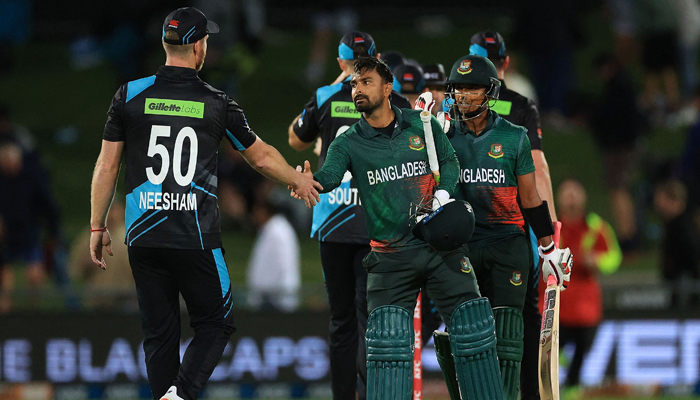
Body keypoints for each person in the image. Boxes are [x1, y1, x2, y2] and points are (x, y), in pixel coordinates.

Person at [89, 8, 321, 400]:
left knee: (159, 334)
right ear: (198, 46)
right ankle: (181, 394)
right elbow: (259, 156)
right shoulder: (215, 102)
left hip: (143, 235)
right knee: (217, 321)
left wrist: (97, 226)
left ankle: (168, 396)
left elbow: (107, 165)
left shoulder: (128, 95)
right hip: (194, 234)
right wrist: (298, 178)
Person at [293, 57, 504, 400]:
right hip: (390, 258)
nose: (357, 90)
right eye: (354, 85)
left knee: (473, 330)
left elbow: (449, 163)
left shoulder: (422, 124)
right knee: (387, 352)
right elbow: (329, 176)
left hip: (439, 248)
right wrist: (306, 181)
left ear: (388, 88)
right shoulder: (348, 142)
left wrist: (443, 196)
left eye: (365, 82)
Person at [438, 54, 572, 400]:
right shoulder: (442, 135)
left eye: (472, 89)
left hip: (508, 244)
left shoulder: (514, 137)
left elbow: (530, 197)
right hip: (463, 247)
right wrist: (422, 126)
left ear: (490, 92)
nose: (464, 95)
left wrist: (547, 246)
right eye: (458, 89)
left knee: (509, 335)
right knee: (467, 336)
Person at [287, 31, 410, 400]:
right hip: (378, 220)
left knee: (341, 322)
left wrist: (335, 84)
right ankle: (376, 393)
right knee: (372, 319)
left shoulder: (326, 97)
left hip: (334, 221)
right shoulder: (393, 98)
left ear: (340, 62)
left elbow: (295, 138)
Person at [469, 31, 557, 400]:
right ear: (504, 63)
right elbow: (540, 171)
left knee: (475, 319)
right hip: (514, 233)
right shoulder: (520, 105)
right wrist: (552, 240)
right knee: (521, 316)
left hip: (467, 235)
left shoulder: (456, 106)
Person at [550, 178, 621, 398]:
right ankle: (547, 385)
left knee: (583, 347)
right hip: (558, 301)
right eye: (567, 193)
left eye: (575, 193)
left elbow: (614, 258)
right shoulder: (551, 225)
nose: (571, 198)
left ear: (584, 198)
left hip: (585, 304)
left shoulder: (596, 226)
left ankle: (572, 386)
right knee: (553, 347)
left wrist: (597, 261)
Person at [0, 141, 61, 312]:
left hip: (29, 234)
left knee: (34, 276)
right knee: (7, 279)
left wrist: (53, 233)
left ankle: (32, 312)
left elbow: (50, 208)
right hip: (6, 238)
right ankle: (6, 313)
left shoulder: (32, 179)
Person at [69, 201, 135, 310]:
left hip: (126, 301)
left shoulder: (132, 237)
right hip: (96, 301)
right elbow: (74, 271)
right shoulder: (88, 238)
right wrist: (86, 263)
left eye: (113, 209)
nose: (110, 214)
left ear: (122, 211)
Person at [246, 196, 301, 312]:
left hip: (276, 297)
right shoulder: (270, 229)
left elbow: (283, 263)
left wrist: (279, 292)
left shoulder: (277, 231)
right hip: (269, 295)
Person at [653, 180, 700, 307]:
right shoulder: (675, 224)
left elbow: (692, 253)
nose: (656, 202)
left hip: (684, 283)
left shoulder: (683, 226)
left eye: (660, 198)